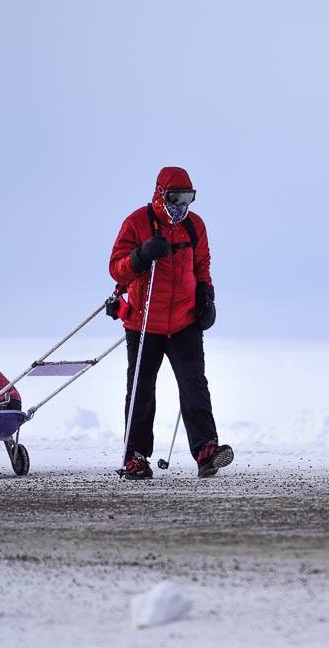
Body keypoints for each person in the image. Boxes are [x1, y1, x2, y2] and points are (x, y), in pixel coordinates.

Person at [108, 166, 234, 479]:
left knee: (194, 383)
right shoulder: (137, 222)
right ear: (161, 194)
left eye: (188, 197)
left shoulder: (194, 226)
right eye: (176, 197)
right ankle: (135, 457)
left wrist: (207, 298)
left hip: (184, 322)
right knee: (141, 390)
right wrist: (141, 255)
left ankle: (206, 449)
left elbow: (202, 265)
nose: (182, 205)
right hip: (143, 322)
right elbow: (116, 269)